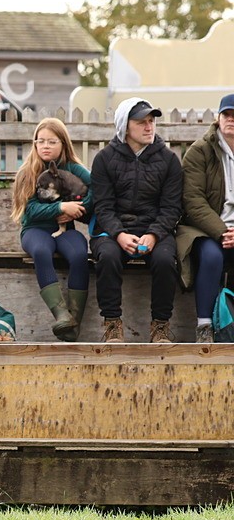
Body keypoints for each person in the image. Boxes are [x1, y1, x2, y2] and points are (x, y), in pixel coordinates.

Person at [90, 98, 183, 343]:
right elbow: (103, 206)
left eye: (151, 121)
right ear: (124, 126)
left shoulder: (169, 160)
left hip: (155, 231)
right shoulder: (104, 159)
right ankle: (112, 326)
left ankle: (160, 327)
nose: (149, 127)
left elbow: (172, 208)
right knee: (108, 257)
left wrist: (153, 234)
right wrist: (119, 234)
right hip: (112, 231)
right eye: (141, 122)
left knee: (165, 260)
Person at [9, 118, 93, 340]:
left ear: (63, 144)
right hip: (35, 231)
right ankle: (61, 314)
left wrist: (79, 208)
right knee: (41, 251)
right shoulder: (27, 172)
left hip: (66, 231)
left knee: (78, 254)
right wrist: (60, 207)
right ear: (35, 144)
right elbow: (29, 211)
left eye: (52, 142)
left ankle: (74, 321)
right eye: (41, 141)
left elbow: (97, 189)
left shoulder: (73, 169)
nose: (45, 146)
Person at [176, 94, 234, 343]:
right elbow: (192, 200)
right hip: (204, 228)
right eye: (226, 115)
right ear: (218, 119)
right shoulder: (200, 151)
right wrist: (222, 231)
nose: (231, 120)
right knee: (212, 256)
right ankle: (204, 327)